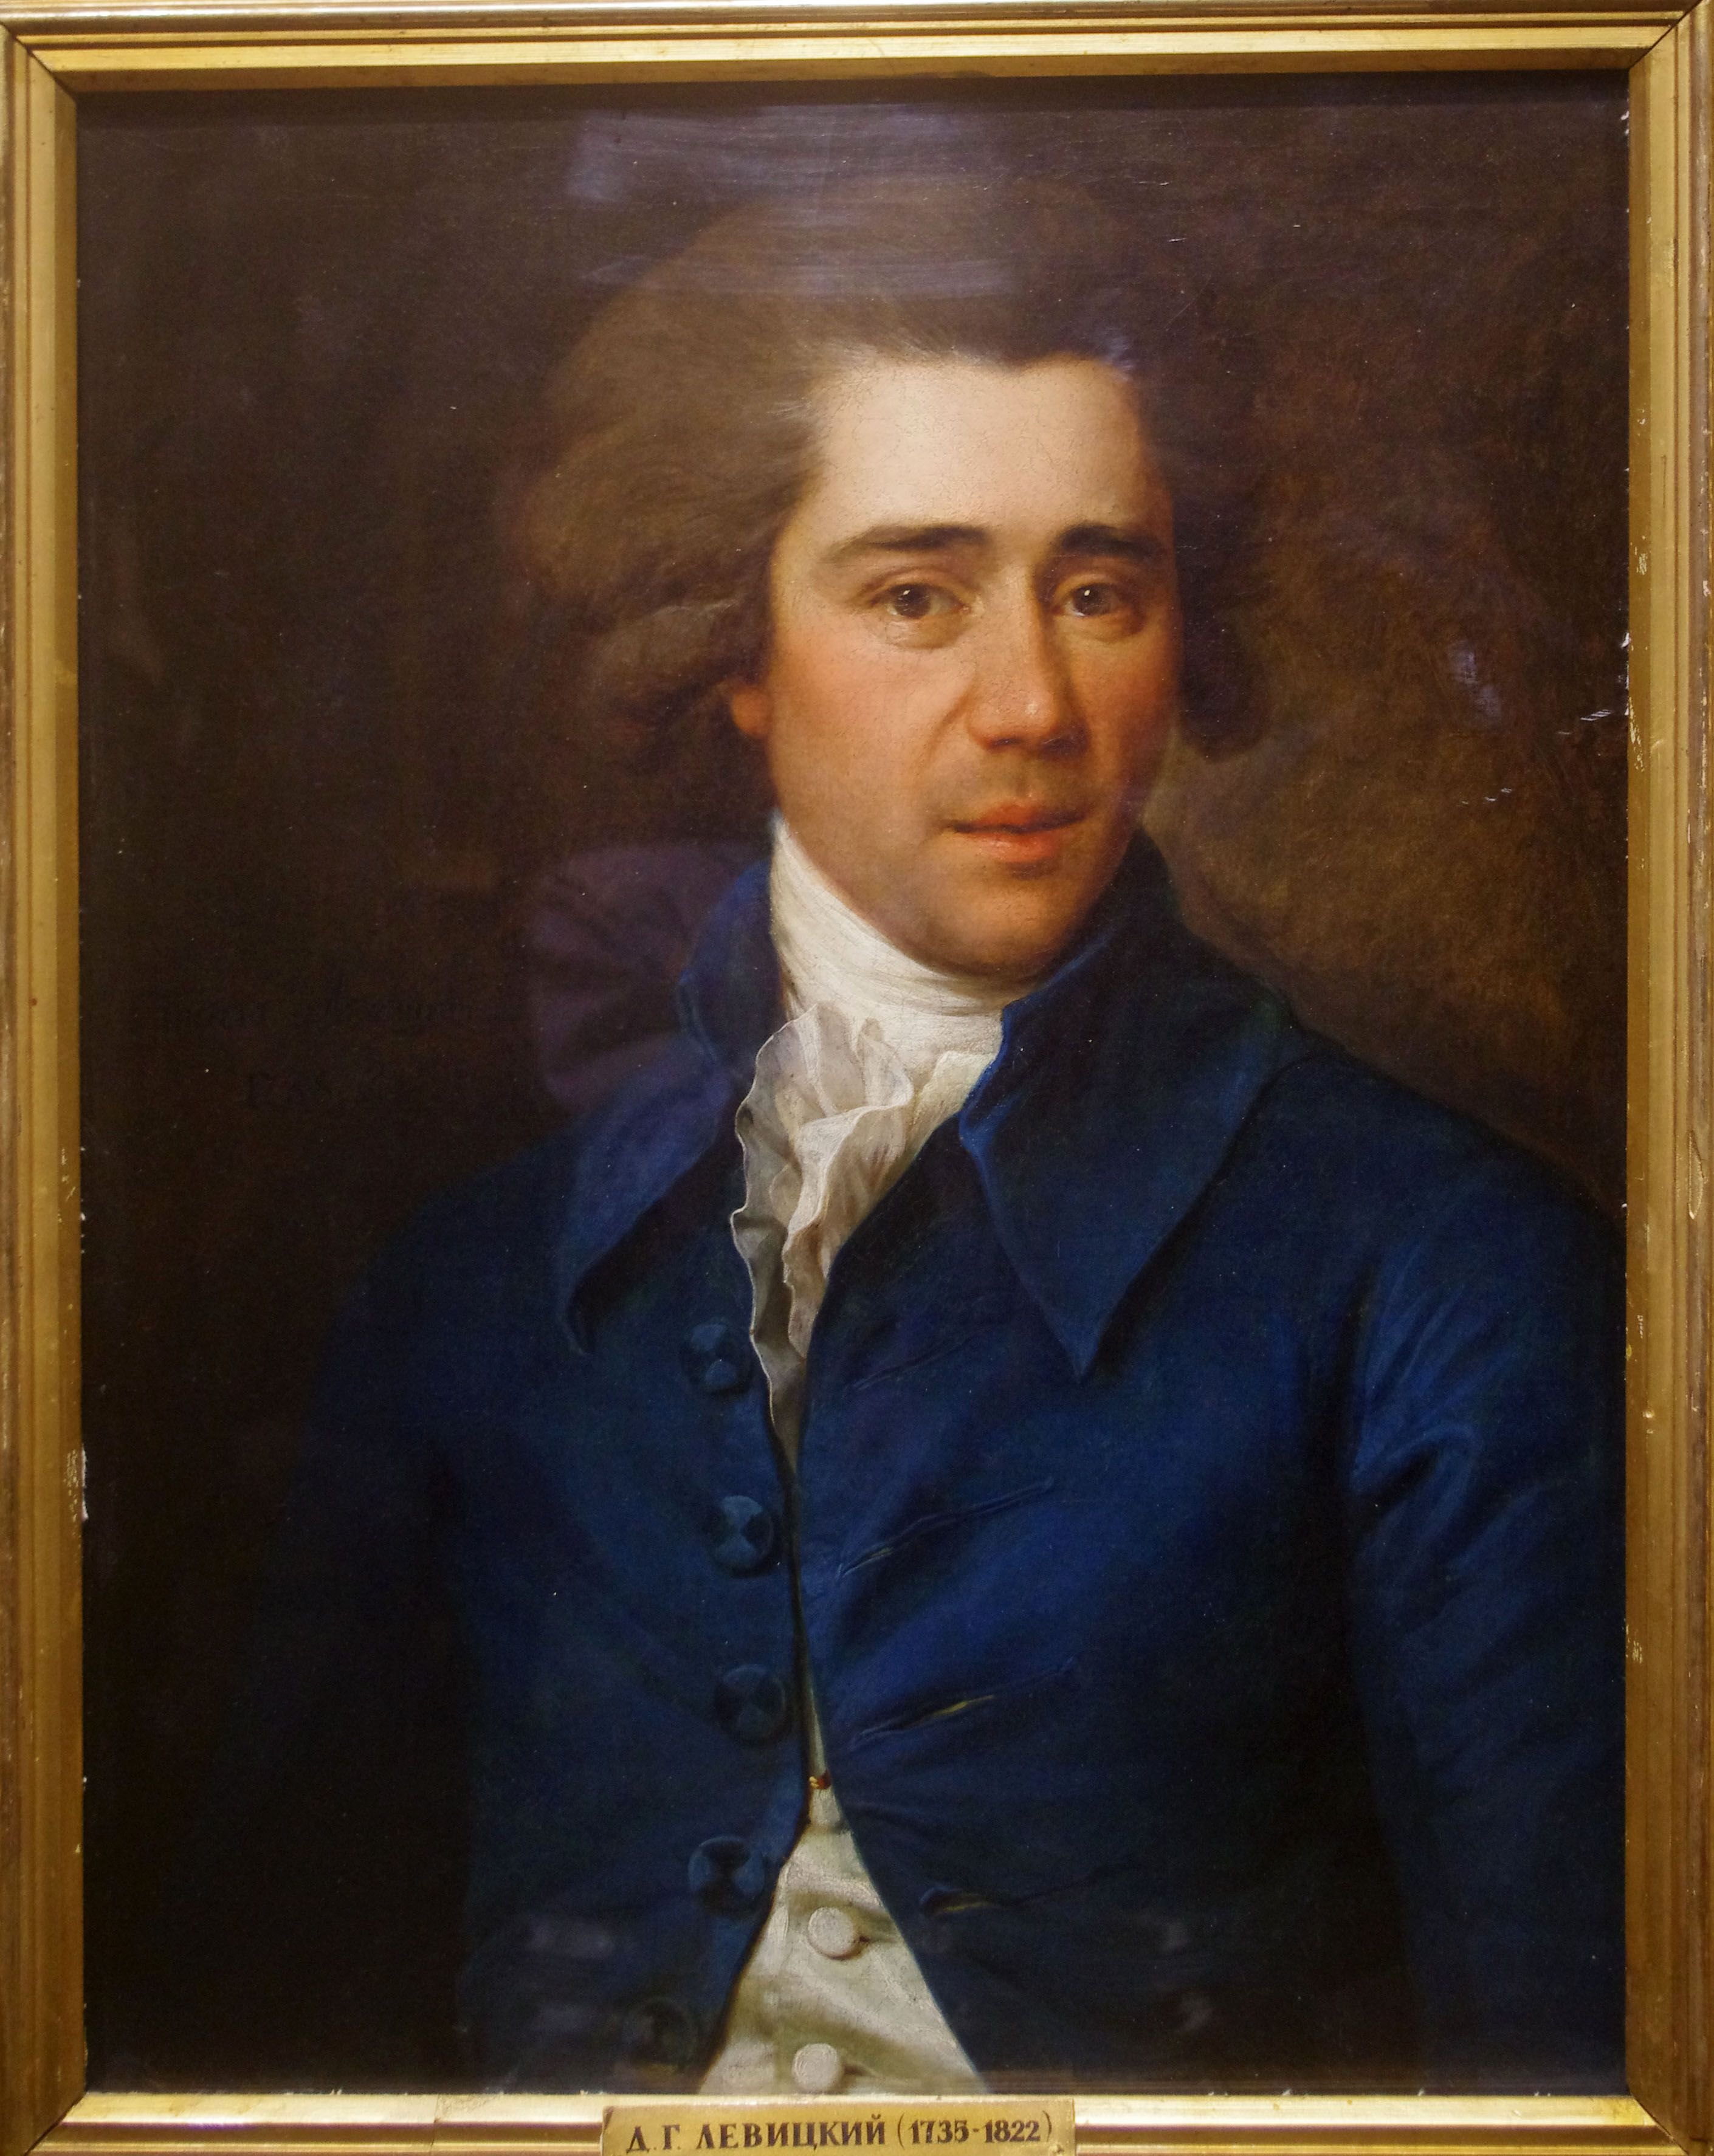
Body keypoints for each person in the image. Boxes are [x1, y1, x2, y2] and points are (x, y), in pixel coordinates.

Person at [173, 180, 1623, 2099]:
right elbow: (266, 2027)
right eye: (916, 595)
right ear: (731, 641)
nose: (1031, 705)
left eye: (1097, 591)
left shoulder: (1446, 1269)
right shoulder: (465, 1292)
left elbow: (1561, 2061)